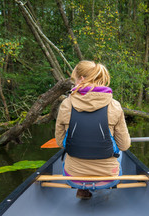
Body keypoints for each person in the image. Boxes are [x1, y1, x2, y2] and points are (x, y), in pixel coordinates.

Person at [55, 60, 131, 199]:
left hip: (73, 177)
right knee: (120, 152)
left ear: (82, 79)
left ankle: (83, 190)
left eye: (75, 80)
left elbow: (60, 143)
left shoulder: (66, 104)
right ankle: (108, 189)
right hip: (109, 177)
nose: (74, 83)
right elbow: (124, 145)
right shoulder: (115, 105)